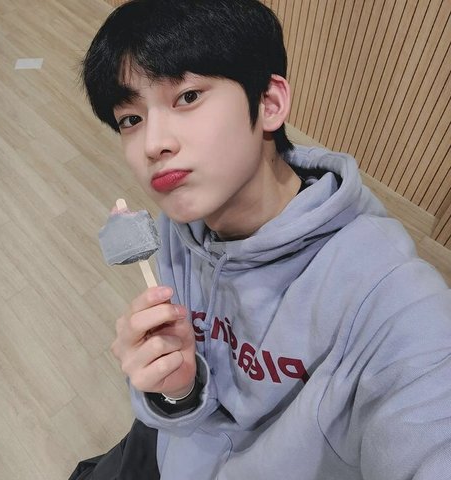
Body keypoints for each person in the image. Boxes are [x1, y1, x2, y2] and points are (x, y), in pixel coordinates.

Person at [73, 0, 451, 478]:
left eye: (187, 96)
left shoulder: (393, 298)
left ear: (269, 103)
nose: (152, 145)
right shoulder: (178, 226)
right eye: (131, 119)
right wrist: (178, 390)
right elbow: (184, 406)